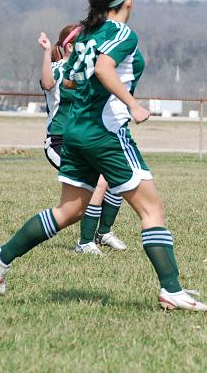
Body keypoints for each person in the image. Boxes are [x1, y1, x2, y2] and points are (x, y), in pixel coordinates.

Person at [0, 0, 207, 311]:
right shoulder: (122, 34)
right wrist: (131, 104)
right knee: (152, 209)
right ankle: (171, 290)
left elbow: (71, 80)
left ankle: (2, 255)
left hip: (75, 131)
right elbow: (103, 69)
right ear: (128, 1)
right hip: (105, 133)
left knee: (70, 210)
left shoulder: (87, 33)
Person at [38, 24, 127, 255]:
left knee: (118, 177)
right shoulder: (58, 69)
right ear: (70, 46)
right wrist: (47, 53)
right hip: (59, 142)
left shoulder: (87, 71)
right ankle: (85, 242)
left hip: (85, 139)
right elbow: (47, 83)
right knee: (97, 183)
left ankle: (103, 232)